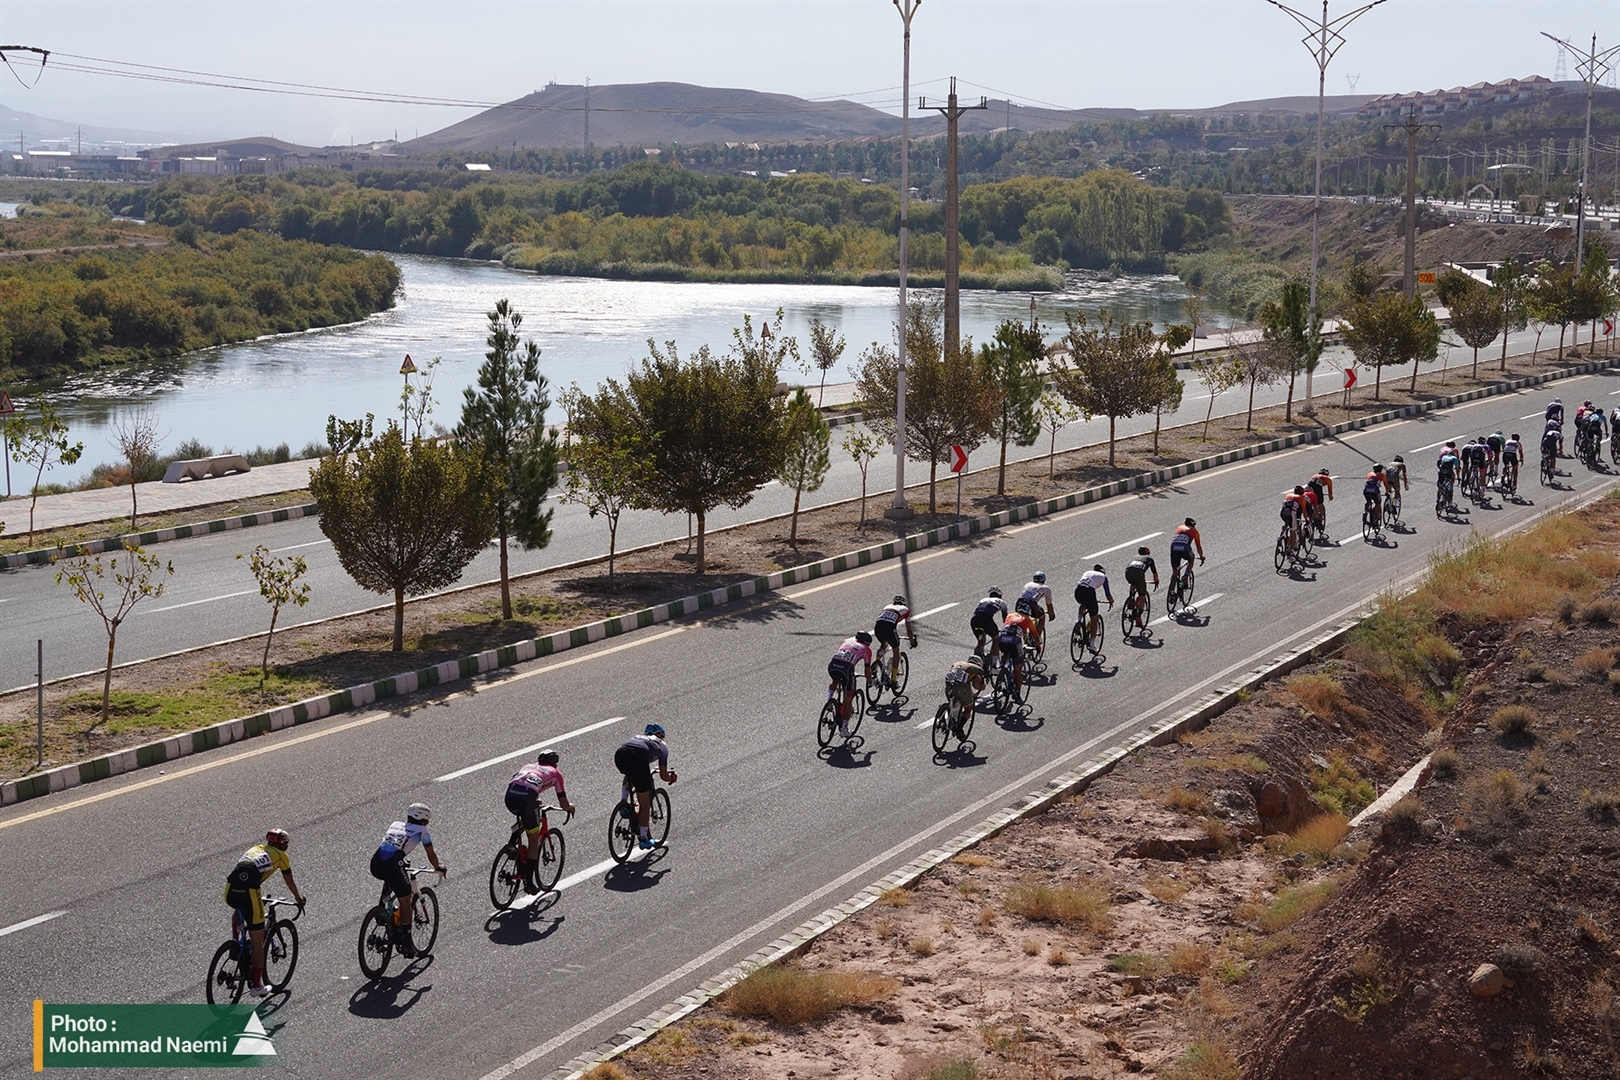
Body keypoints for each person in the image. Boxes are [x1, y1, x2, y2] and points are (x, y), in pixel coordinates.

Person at [224, 829, 305, 998]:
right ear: (282, 844)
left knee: (239, 908)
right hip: (250, 891)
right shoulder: (281, 856)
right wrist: (298, 898)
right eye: (286, 844)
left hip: (230, 890)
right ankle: (256, 986)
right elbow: (289, 880)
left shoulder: (254, 849)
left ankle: (235, 943)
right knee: (258, 941)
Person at [369, 804, 444, 958]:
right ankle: (407, 944)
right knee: (405, 900)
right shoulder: (422, 830)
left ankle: (381, 911)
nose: (426, 824)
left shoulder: (395, 824)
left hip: (376, 862)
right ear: (423, 820)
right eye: (427, 822)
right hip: (394, 863)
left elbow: (394, 845)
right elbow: (430, 853)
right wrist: (438, 867)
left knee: (390, 877)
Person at [505, 750, 577, 893]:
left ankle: (512, 844)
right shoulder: (556, 773)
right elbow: (563, 804)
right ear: (554, 763)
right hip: (527, 799)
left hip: (510, 796)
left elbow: (526, 785)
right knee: (533, 840)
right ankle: (529, 883)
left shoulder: (527, 766)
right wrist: (570, 807)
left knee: (526, 816)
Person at [615, 724, 678, 850]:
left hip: (620, 754)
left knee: (630, 773)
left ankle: (624, 803)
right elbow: (663, 775)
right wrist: (671, 778)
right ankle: (643, 839)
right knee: (644, 802)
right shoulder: (662, 745)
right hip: (639, 756)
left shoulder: (638, 737)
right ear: (660, 735)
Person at [827, 631, 874, 736]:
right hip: (846, 669)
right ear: (868, 643)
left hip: (832, 665)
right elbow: (867, 670)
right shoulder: (867, 649)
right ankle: (844, 729)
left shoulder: (847, 643)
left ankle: (829, 700)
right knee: (848, 700)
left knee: (835, 680)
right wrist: (870, 681)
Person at [873, 595, 917, 682]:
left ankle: (875, 665)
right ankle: (893, 679)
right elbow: (908, 629)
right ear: (904, 604)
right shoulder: (906, 610)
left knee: (884, 645)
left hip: (878, 627)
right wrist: (912, 641)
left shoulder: (887, 607)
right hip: (889, 628)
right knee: (896, 651)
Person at [943, 655, 987, 733]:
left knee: (952, 702)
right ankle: (959, 729)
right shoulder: (978, 669)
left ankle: (945, 714)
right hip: (961, 686)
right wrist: (981, 687)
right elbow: (975, 685)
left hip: (949, 683)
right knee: (968, 709)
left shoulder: (958, 663)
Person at [1015, 572, 1057, 654]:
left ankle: (1024, 637)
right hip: (1031, 604)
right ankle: (1035, 640)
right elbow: (1049, 604)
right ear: (1044, 580)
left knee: (1023, 618)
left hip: (1019, 603)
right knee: (1042, 617)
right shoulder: (1046, 588)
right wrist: (1051, 614)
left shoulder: (1028, 584)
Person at [995, 609, 1032, 696]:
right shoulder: (1027, 619)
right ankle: (1017, 694)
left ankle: (1002, 668)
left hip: (1002, 639)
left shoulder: (1010, 616)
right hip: (1014, 641)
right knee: (1018, 669)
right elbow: (1035, 635)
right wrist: (1038, 646)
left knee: (1006, 652)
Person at [1074, 564, 1114, 643]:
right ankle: (1092, 644)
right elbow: (1108, 594)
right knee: (1094, 619)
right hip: (1089, 593)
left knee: (1083, 604)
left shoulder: (1087, 572)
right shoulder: (1104, 577)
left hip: (1078, 591)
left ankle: (1079, 620)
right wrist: (1111, 601)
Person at [969, 587, 1007, 658]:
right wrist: (1006, 628)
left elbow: (980, 611)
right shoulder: (1002, 602)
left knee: (980, 641)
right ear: (1000, 596)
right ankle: (993, 662)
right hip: (986, 619)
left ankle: (975, 660)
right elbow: (1005, 619)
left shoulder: (983, 600)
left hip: (974, 619)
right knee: (996, 639)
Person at [1170, 517, 1205, 584]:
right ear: (1193, 525)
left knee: (1175, 571)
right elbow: (1198, 546)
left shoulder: (1179, 527)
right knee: (1191, 559)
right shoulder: (1195, 531)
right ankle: (1185, 577)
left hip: (1174, 547)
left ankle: (1172, 587)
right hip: (1184, 547)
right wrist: (1201, 556)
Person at [1306, 467, 1333, 533]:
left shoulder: (1314, 475)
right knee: (1320, 504)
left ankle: (1310, 517)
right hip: (1317, 488)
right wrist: (1330, 496)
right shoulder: (1328, 479)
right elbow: (1330, 490)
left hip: (1308, 487)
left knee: (1311, 502)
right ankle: (1321, 518)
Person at [1281, 486, 1307, 551]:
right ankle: (1292, 551)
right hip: (1291, 513)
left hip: (1282, 511)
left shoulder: (1288, 495)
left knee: (1287, 522)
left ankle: (1281, 534)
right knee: (1293, 532)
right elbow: (1304, 511)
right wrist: (1306, 519)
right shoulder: (1302, 498)